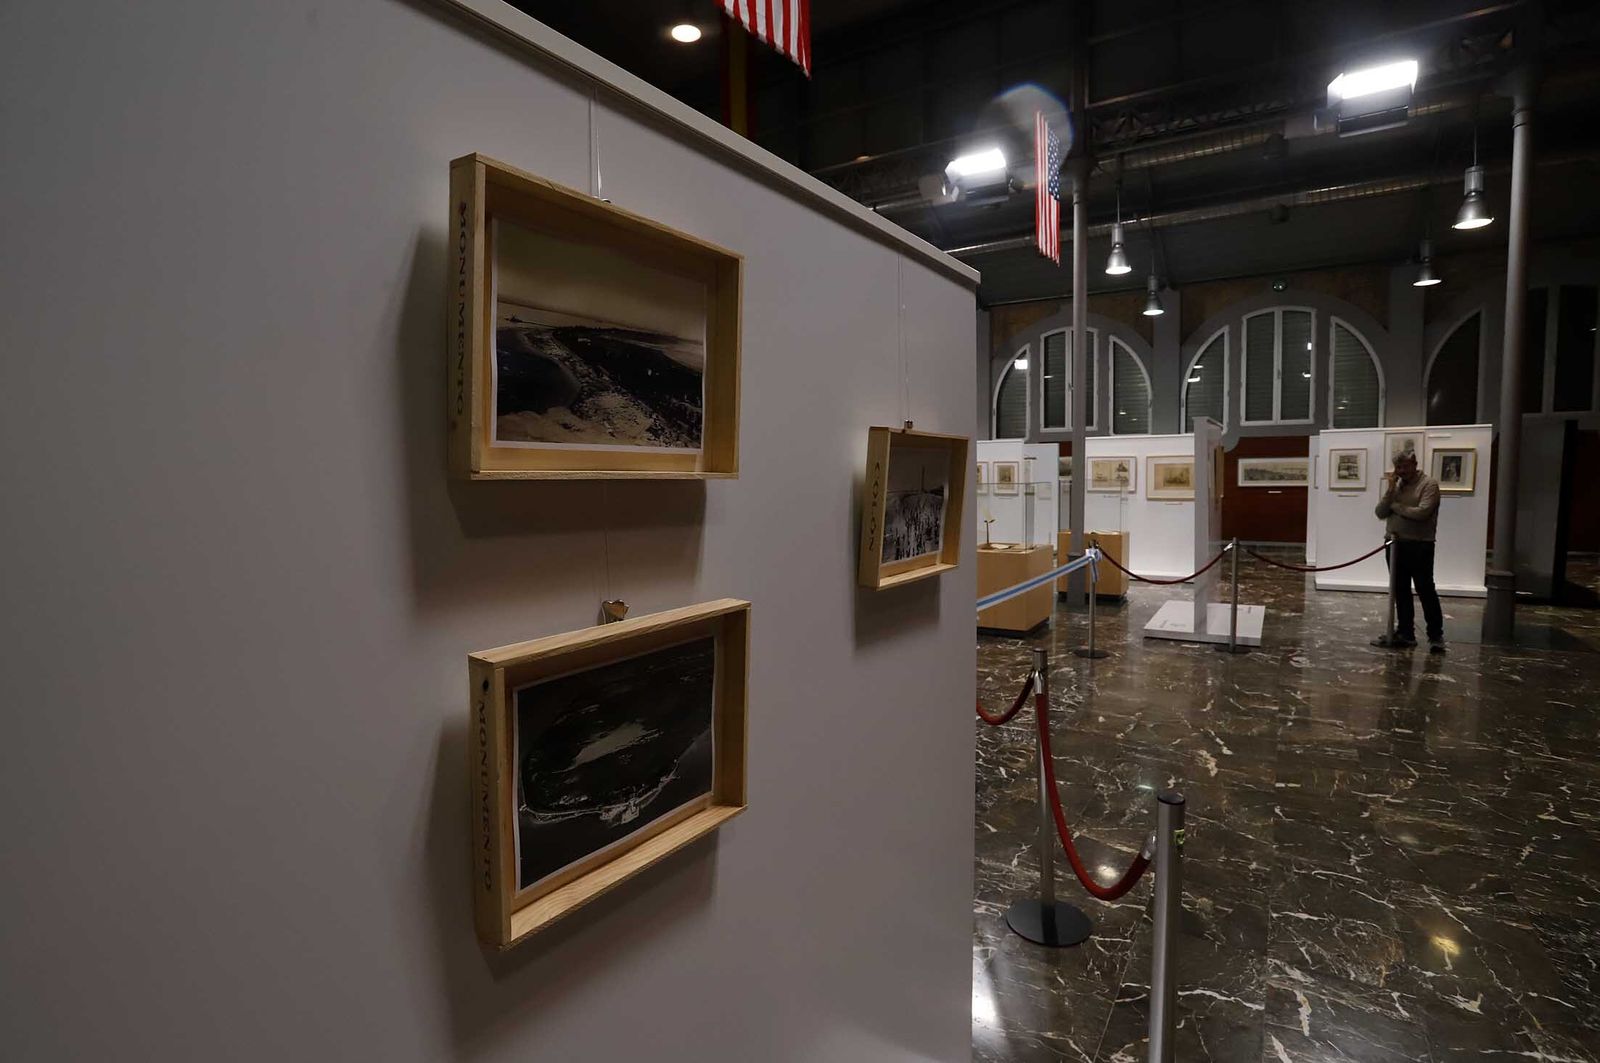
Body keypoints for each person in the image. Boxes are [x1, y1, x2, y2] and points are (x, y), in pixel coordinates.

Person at [1373, 451, 1444, 652]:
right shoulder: (1397, 487)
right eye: (1398, 468)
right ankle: (1406, 633)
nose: (1401, 471)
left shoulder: (1429, 485)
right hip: (1395, 545)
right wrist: (1390, 492)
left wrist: (1396, 507)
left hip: (1420, 545)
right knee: (1400, 590)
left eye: (1405, 466)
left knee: (1425, 589)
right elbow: (1380, 512)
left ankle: (1436, 635)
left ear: (1414, 464)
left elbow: (1423, 512)